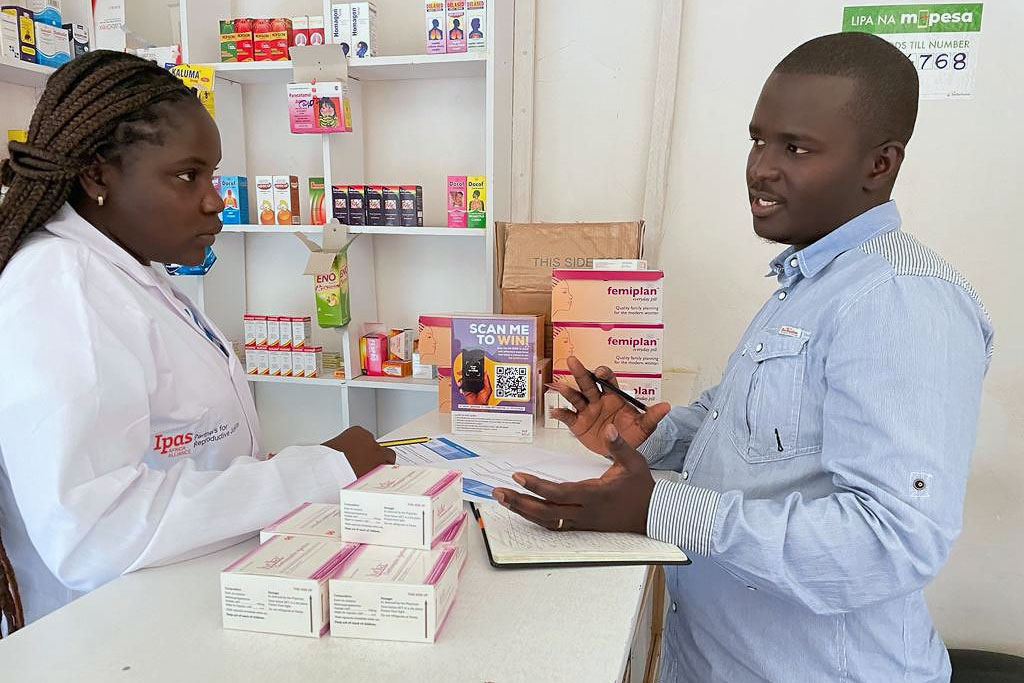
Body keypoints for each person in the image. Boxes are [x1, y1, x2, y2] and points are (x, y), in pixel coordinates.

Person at [493, 32, 993, 682]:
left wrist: (658, 507)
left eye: (797, 147)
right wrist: (653, 435)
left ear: (879, 164)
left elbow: (888, 544)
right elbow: (744, 420)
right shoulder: (808, 282)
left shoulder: (900, 300)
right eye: (759, 140)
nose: (761, 167)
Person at [0, 50, 395, 634]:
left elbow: (176, 456)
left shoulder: (130, 272)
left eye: (212, 175)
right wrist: (321, 470)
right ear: (97, 174)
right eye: (188, 176)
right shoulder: (59, 284)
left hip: (178, 608)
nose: (216, 199)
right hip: (109, 639)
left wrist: (278, 473)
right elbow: (93, 533)